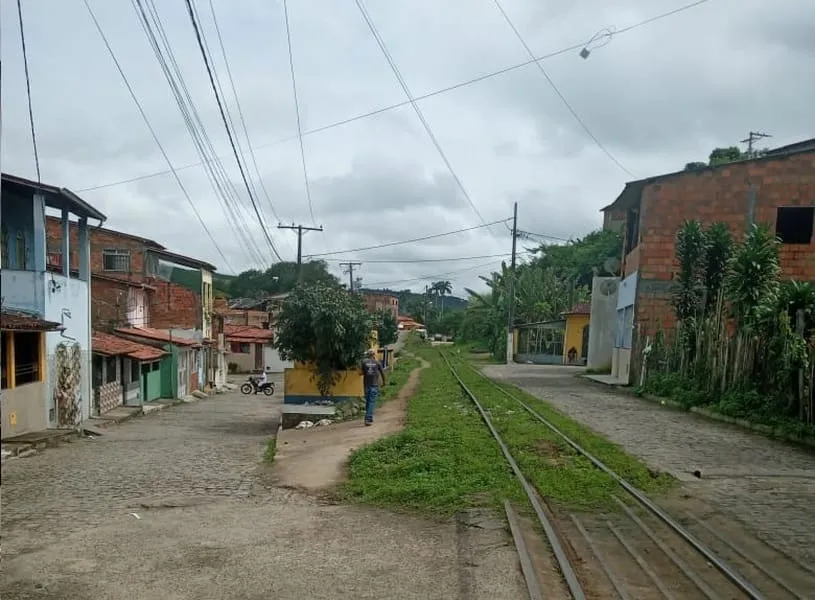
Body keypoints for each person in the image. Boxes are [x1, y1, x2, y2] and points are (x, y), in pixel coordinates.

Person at [361, 349, 386, 426]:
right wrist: (384, 382)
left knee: (368, 402)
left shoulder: (364, 363)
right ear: (374, 355)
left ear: (368, 355)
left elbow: (361, 373)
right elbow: (382, 373)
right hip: (374, 385)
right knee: (371, 402)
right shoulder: (377, 363)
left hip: (366, 385)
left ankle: (368, 417)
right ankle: (368, 419)